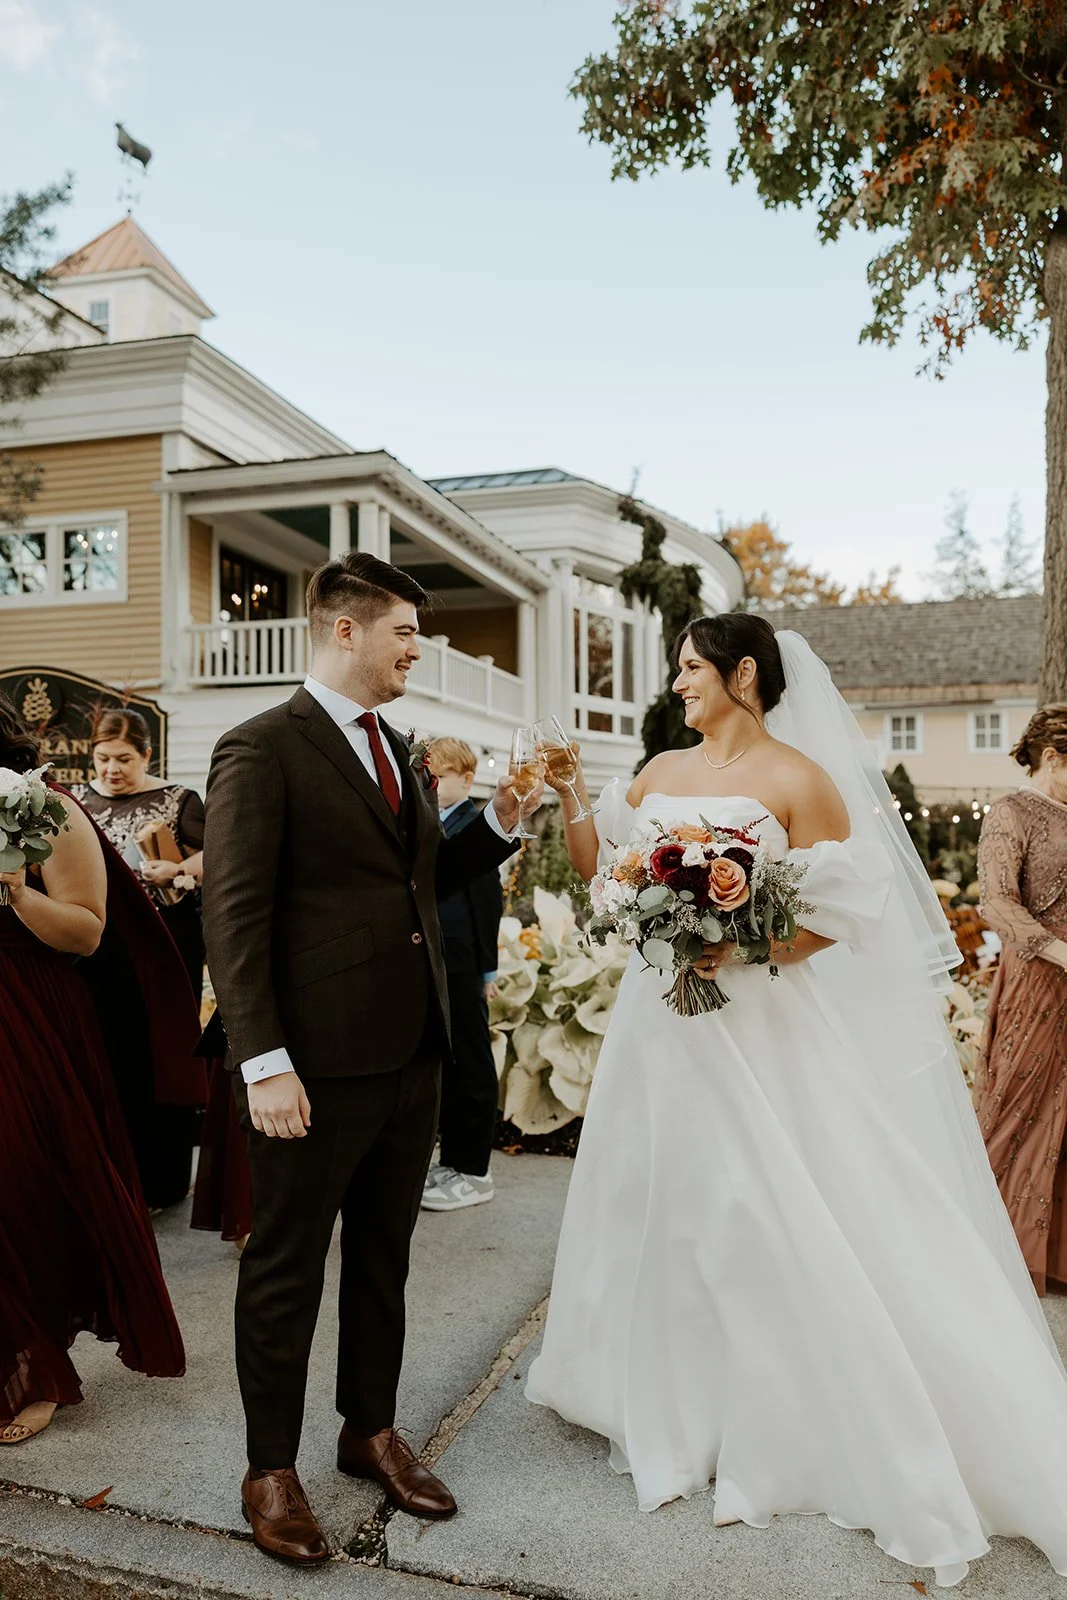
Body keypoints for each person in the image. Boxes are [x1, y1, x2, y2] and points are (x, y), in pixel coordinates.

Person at [525, 614, 1067, 1590]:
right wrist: (571, 793)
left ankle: (775, 1403)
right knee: (656, 1195)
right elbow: (596, 870)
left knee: (758, 1206)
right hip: (658, 1028)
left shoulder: (797, 780)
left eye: (691, 668)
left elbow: (838, 913)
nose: (678, 682)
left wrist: (738, 945)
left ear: (741, 674)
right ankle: (653, 1381)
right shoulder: (653, 770)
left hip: (757, 1024)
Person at [201, 551, 538, 1568]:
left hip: (410, 1054)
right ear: (344, 630)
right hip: (310, 1062)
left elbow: (421, 877)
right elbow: (236, 912)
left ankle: (368, 1429)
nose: (414, 650)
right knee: (285, 1269)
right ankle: (269, 1466)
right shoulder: (260, 747)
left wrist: (506, 819)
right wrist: (263, 1059)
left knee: (383, 1262)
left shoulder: (395, 745)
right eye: (403, 632)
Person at [0, 698, 188, 1445]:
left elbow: (84, 930)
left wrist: (14, 891)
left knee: (20, 1183)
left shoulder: (42, 807)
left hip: (24, 1009)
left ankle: (36, 1364)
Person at [74, 710, 206, 1209]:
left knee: (157, 1055)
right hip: (95, 949)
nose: (112, 769)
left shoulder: (180, 800)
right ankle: (107, 1174)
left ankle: (160, 1181)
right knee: (103, 1053)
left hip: (162, 945)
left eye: (124, 759)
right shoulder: (78, 802)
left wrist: (180, 867)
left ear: (147, 755)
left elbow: (223, 850)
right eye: (103, 758)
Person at [975, 705, 1067, 1294]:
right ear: (1054, 757)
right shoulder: (1011, 813)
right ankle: (988, 1247)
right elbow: (997, 902)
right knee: (1019, 1110)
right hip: (1039, 981)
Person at [421, 737, 504, 1212]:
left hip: (464, 961)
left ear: (467, 779)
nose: (432, 787)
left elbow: (487, 903)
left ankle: (475, 1169)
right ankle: (452, 1159)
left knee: (470, 1061)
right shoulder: (430, 822)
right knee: (448, 1064)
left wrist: (487, 968)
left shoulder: (474, 827)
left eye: (441, 777)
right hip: (436, 958)